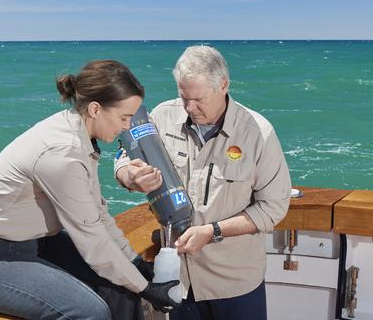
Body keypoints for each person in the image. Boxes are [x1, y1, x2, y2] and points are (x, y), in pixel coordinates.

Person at [0, 60, 180, 320]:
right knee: (88, 312)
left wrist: (136, 264)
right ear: (95, 109)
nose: (127, 127)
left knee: (121, 289)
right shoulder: (63, 153)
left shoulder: (81, 135)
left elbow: (99, 215)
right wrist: (147, 288)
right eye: (124, 117)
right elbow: (93, 242)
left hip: (37, 242)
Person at [115, 46, 291, 320]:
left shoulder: (259, 133)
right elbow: (126, 153)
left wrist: (212, 232)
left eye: (198, 99)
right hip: (179, 281)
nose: (189, 107)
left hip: (235, 283)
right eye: (183, 97)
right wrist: (128, 175)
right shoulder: (162, 116)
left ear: (223, 85)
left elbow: (273, 207)